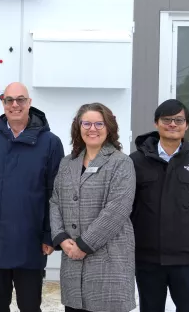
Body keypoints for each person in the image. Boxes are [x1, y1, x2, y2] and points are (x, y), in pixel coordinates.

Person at [0, 82, 64, 312]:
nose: (15, 105)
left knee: (30, 306)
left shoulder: (50, 143)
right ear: (3, 103)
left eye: (21, 99)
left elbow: (56, 194)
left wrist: (50, 235)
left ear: (29, 103)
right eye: (9, 100)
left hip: (31, 242)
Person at [129, 99, 189, 312]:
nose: (172, 124)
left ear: (186, 125)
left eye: (178, 120)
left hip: (187, 256)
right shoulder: (134, 162)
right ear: (156, 123)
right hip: (147, 256)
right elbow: (128, 206)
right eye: (167, 119)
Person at [49, 103, 136, 312]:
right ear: (78, 127)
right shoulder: (67, 163)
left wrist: (84, 245)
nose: (92, 128)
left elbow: (117, 210)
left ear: (109, 128)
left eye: (99, 123)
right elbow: (55, 201)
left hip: (109, 261)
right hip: (72, 259)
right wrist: (61, 237)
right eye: (86, 123)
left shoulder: (121, 163)